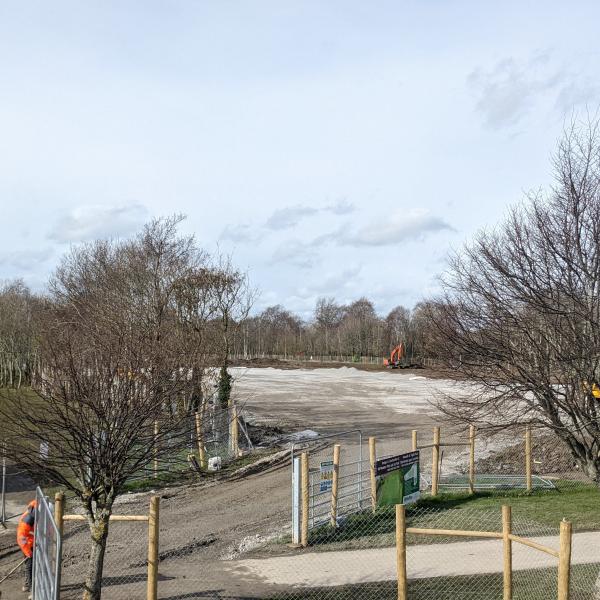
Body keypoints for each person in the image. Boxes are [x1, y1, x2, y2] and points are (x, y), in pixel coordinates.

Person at [16, 500, 36, 598]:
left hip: (36, 543)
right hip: (28, 545)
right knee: (30, 566)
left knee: (34, 566)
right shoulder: (27, 521)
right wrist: (28, 552)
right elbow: (21, 539)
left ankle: (28, 584)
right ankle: (32, 589)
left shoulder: (40, 508)